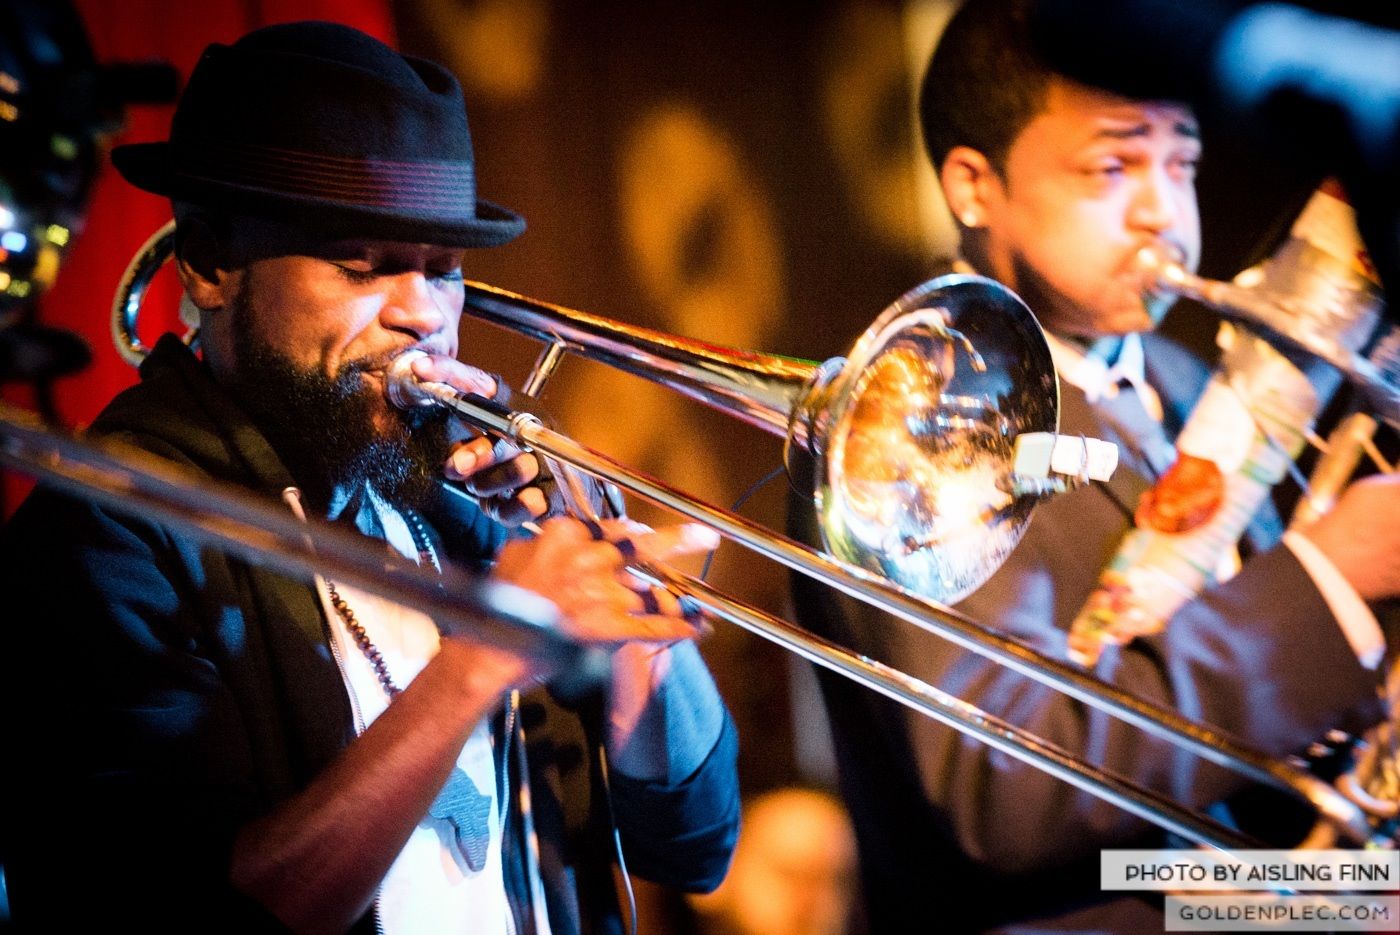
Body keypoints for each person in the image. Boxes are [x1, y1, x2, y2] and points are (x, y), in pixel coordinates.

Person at [0, 21, 739, 934]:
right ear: (209, 263)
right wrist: (481, 656)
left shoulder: (466, 502)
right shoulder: (108, 531)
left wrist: (637, 621)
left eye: (445, 270)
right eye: (364, 265)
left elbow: (695, 843)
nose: (421, 314)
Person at [789, 1, 1400, 932]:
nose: (1163, 209)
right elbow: (1007, 792)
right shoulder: (916, 413)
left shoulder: (1192, 382)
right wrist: (1327, 582)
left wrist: (1338, 899)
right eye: (1113, 166)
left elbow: (1204, 849)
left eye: (1181, 162)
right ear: (973, 187)